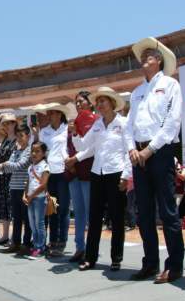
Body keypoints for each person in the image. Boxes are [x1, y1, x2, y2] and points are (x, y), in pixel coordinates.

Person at [126, 37, 185, 283]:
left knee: (168, 211)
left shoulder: (171, 85)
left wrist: (149, 150)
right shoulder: (136, 92)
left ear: (159, 61)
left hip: (160, 153)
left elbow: (172, 122)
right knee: (144, 213)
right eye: (143, 56)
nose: (144, 58)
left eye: (149, 55)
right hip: (138, 155)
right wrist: (132, 149)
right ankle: (150, 263)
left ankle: (175, 266)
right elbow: (129, 126)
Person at [67, 87, 132, 271]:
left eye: (103, 101)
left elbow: (129, 150)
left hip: (116, 172)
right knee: (94, 217)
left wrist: (126, 176)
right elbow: (83, 146)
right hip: (97, 173)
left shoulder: (123, 122)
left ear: (112, 103)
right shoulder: (97, 124)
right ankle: (90, 257)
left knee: (117, 217)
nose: (100, 104)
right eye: (98, 101)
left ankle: (116, 258)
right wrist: (75, 133)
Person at [38, 102, 76, 258]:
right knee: (52, 208)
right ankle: (53, 240)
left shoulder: (67, 129)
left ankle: (62, 241)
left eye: (52, 112)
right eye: (49, 113)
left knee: (64, 209)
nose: (49, 115)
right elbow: (42, 152)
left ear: (60, 114)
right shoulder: (44, 131)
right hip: (49, 173)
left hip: (63, 172)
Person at [64, 90, 97, 263]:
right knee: (78, 212)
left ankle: (91, 250)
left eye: (81, 101)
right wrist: (68, 161)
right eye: (76, 102)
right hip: (73, 171)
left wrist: (74, 159)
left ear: (90, 103)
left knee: (91, 212)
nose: (78, 104)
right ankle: (79, 248)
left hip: (88, 171)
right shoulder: (72, 123)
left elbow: (91, 147)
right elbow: (66, 145)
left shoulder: (96, 121)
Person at [0, 123, 32, 255]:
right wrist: (4, 166)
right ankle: (15, 243)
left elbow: (20, 165)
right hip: (14, 187)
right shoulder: (16, 151)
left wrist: (3, 165)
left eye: (21, 135)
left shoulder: (29, 151)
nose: (19, 139)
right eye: (17, 136)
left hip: (25, 188)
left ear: (28, 136)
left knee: (26, 218)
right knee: (16, 217)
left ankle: (26, 244)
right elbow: (10, 168)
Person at [0, 113, 17, 245]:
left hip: (12, 174)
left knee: (12, 205)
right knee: (4, 206)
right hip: (2, 176)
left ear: (15, 124)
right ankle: (5, 234)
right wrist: (2, 115)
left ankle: (14, 236)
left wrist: (1, 166)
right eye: (5, 123)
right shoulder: (4, 138)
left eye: (10, 123)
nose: (7, 126)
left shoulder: (18, 139)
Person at [24, 141, 50, 257]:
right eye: (32, 151)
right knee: (32, 224)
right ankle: (35, 245)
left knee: (39, 223)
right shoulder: (30, 167)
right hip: (30, 199)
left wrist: (31, 196)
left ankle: (40, 247)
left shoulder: (45, 166)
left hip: (39, 198)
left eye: (37, 151)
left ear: (43, 153)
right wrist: (25, 195)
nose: (34, 153)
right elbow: (28, 182)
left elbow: (43, 185)